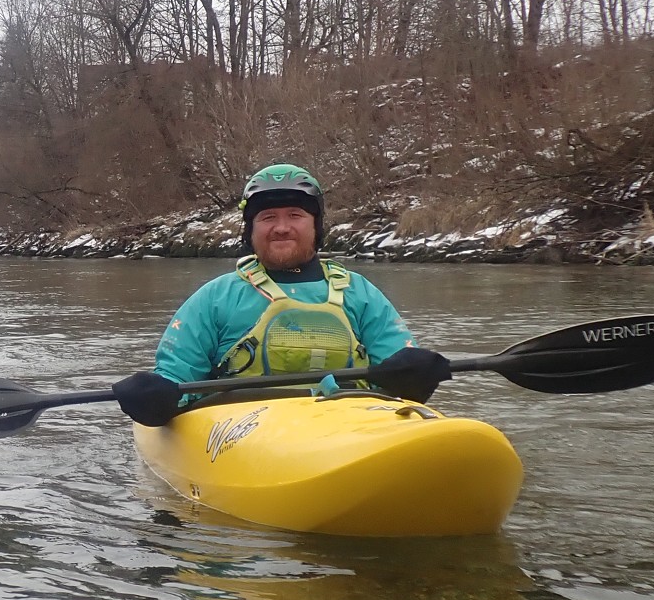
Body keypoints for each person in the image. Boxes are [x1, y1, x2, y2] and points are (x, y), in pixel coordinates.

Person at [114, 164, 451, 427]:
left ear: (316, 226)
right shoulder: (215, 297)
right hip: (242, 431)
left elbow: (397, 361)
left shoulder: (359, 292)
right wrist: (157, 393)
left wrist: (414, 372)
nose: (281, 227)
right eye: (268, 217)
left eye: (295, 215)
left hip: (347, 422)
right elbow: (177, 376)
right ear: (251, 230)